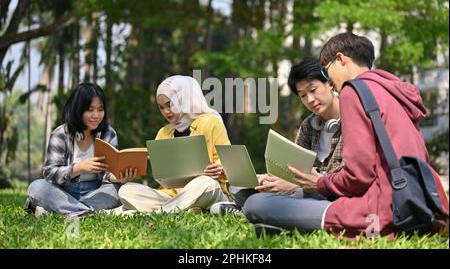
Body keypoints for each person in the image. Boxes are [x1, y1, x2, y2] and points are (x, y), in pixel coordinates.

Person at [243, 32, 448, 238]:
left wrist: (319, 183)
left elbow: (358, 176)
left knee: (255, 204)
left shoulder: (353, 91)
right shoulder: (392, 91)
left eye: (325, 72)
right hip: (416, 201)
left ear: (340, 59)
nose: (329, 78)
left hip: (378, 211)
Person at [212, 58, 344, 215]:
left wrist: (297, 186)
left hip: (330, 193)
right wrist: (270, 179)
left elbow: (349, 178)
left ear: (329, 83)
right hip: (302, 190)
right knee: (240, 186)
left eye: (313, 90)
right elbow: (294, 168)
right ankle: (254, 206)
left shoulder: (354, 118)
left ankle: (250, 209)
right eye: (302, 95)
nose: (310, 100)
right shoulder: (309, 125)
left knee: (277, 198)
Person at [117, 75, 231, 213]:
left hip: (207, 190)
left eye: (170, 104)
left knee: (206, 183)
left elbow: (230, 162)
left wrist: (219, 167)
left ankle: (159, 213)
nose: (166, 112)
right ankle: (185, 209)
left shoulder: (210, 122)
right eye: (161, 107)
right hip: (171, 195)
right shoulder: (163, 132)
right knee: (126, 190)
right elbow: (162, 177)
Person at [24, 83, 135, 217]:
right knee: (37, 186)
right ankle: (87, 213)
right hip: (63, 193)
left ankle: (63, 211)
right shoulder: (60, 134)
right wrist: (79, 168)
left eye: (100, 109)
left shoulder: (108, 133)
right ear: (78, 109)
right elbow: (50, 173)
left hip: (96, 192)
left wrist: (116, 177)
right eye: (90, 109)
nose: (96, 115)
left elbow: (107, 172)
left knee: (119, 189)